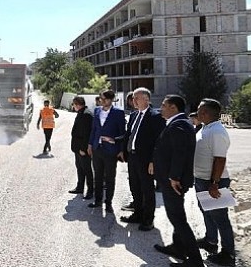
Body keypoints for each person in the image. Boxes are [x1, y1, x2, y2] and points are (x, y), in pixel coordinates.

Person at [153, 94, 204, 267]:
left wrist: (174, 177)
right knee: (176, 215)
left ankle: (195, 260)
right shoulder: (177, 123)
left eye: (163, 105)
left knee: (178, 219)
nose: (161, 108)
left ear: (173, 107)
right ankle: (178, 247)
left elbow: (179, 153)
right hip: (171, 179)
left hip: (174, 182)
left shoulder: (179, 124)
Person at [193, 99, 236, 267]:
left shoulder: (217, 131)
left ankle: (228, 254)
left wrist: (215, 183)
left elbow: (220, 159)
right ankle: (210, 240)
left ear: (205, 113)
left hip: (213, 181)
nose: (196, 113)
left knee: (220, 218)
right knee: (206, 211)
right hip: (202, 179)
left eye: (199, 110)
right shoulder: (206, 128)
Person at [119, 87, 166, 231]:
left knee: (147, 190)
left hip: (146, 160)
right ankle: (137, 214)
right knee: (135, 187)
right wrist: (123, 150)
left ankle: (148, 219)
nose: (133, 101)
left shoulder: (155, 117)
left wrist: (153, 161)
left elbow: (160, 141)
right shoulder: (133, 115)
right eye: (132, 98)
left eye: (136, 98)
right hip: (132, 157)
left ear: (146, 99)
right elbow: (129, 134)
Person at [87, 90, 126, 213]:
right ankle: (98, 200)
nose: (101, 101)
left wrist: (118, 147)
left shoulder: (118, 113)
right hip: (97, 149)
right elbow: (93, 129)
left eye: (103, 99)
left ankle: (108, 203)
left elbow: (122, 133)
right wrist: (89, 144)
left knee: (110, 177)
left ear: (110, 99)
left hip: (110, 151)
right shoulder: (97, 110)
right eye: (100, 99)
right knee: (97, 176)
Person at [68, 96, 94, 199]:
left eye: (73, 104)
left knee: (87, 170)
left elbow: (87, 134)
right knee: (80, 168)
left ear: (78, 104)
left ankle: (90, 191)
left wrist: (83, 149)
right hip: (78, 148)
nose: (73, 106)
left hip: (82, 149)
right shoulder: (82, 112)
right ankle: (80, 187)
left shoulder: (86, 114)